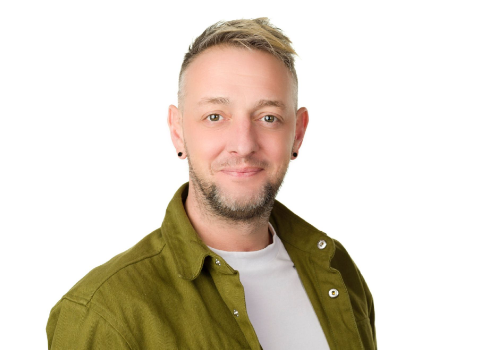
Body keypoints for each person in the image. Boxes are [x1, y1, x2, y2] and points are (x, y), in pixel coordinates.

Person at [46, 18, 376, 350]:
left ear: (298, 133)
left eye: (268, 117)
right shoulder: (105, 314)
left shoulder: (337, 271)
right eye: (215, 116)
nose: (244, 144)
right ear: (178, 131)